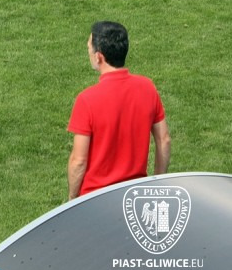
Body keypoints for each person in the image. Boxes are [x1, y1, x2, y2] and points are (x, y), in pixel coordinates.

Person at [67, 21, 171, 200]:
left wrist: (72, 199)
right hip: (135, 197)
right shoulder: (147, 88)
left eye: (89, 47)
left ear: (99, 57)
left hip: (95, 200)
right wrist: (156, 186)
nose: (88, 50)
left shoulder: (86, 100)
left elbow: (78, 161)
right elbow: (164, 140)